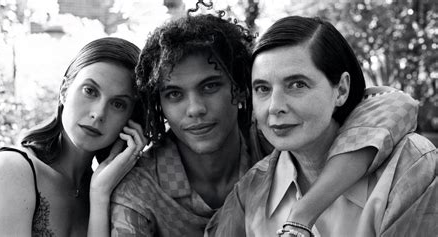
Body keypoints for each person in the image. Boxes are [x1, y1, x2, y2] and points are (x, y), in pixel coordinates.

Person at [108, 8, 420, 236]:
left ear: (241, 88)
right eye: (174, 94)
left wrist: (304, 212)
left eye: (210, 86)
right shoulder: (139, 193)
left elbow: (396, 106)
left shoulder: (275, 135)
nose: (195, 109)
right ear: (158, 104)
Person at [206, 16, 437, 237]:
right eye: (263, 89)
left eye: (297, 84)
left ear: (342, 90)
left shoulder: (410, 166)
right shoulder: (250, 192)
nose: (274, 107)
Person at [0, 37, 148, 236]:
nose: (99, 113)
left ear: (130, 120)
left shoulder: (105, 188)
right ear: (64, 90)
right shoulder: (12, 170)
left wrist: (99, 194)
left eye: (118, 104)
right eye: (90, 91)